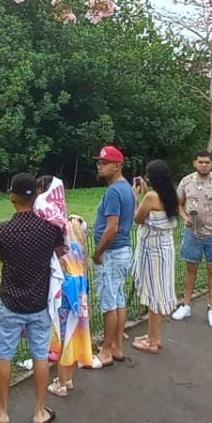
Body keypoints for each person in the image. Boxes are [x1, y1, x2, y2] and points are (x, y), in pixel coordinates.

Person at [0, 173, 63, 423]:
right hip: (39, 302)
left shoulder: (1, 230)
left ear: (12, 197)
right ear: (36, 196)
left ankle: (2, 410)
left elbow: (2, 257)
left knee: (4, 354)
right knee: (40, 355)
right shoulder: (50, 229)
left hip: (11, 301)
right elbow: (59, 250)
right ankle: (39, 411)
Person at [36, 175, 98, 397]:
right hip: (79, 293)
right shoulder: (81, 248)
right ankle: (68, 379)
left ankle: (61, 384)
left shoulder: (62, 244)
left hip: (65, 294)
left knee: (63, 338)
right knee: (74, 334)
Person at [172, 150, 212, 328]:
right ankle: (186, 304)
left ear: (211, 164)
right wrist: (185, 218)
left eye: (206, 162)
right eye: (200, 162)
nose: (203, 165)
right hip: (193, 233)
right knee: (191, 268)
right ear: (195, 163)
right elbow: (179, 205)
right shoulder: (186, 181)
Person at [130, 159, 180, 354]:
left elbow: (138, 218)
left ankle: (152, 341)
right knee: (158, 292)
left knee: (154, 295)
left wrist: (136, 196)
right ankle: (153, 335)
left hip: (152, 252)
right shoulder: (171, 195)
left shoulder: (151, 196)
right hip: (165, 249)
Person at [91, 145, 135, 365]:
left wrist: (98, 252)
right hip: (122, 250)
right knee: (118, 300)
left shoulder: (113, 192)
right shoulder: (126, 188)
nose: (100, 166)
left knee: (108, 303)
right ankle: (117, 346)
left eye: (105, 163)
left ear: (117, 165)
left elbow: (112, 227)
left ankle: (106, 351)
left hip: (111, 252)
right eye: (99, 162)